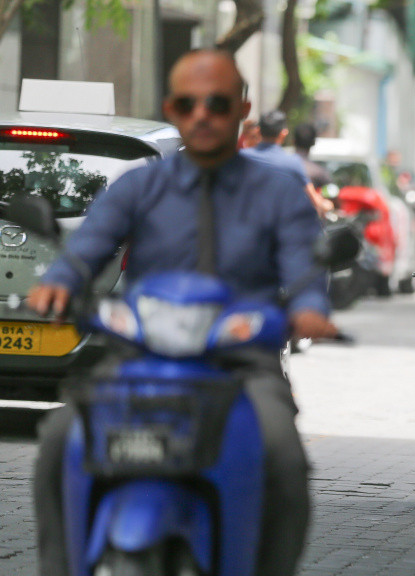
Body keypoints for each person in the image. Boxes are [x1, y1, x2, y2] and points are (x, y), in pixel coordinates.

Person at [28, 49, 335, 576]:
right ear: (171, 109)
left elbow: (304, 264)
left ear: (242, 110)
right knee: (60, 440)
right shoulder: (138, 186)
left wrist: (309, 309)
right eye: (187, 104)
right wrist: (58, 283)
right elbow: (86, 249)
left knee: (281, 454)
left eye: (218, 103)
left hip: (242, 364)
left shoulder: (279, 192)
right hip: (139, 359)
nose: (202, 115)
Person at [241, 110, 333, 217]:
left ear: (258, 131)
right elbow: (313, 200)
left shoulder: (241, 158)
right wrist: (326, 204)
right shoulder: (292, 163)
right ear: (283, 133)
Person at [292, 122, 333, 190]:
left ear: (293, 141)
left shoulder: (280, 167)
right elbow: (331, 192)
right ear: (313, 143)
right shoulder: (318, 173)